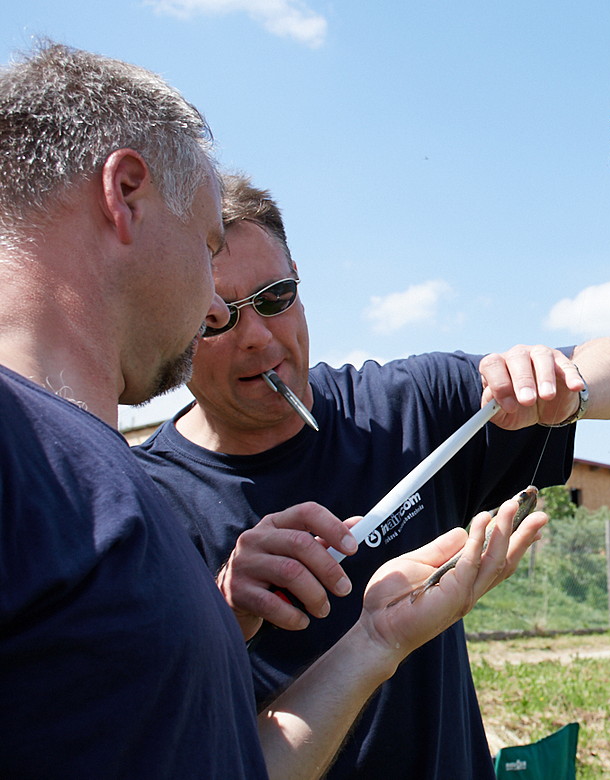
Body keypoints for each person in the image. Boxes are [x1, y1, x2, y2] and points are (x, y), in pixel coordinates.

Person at [0, 42, 546, 779]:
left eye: (274, 298)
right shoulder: (39, 462)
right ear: (125, 194)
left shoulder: (92, 479)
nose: (213, 312)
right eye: (207, 248)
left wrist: (375, 641)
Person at [132, 174, 610, 778]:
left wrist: (565, 387)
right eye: (215, 319)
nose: (257, 337)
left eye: (275, 297)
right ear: (173, 328)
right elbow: (171, 733)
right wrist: (226, 612)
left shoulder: (404, 406)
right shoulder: (143, 500)